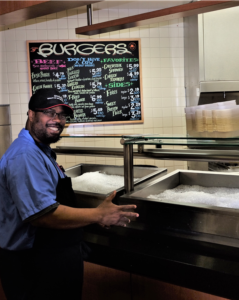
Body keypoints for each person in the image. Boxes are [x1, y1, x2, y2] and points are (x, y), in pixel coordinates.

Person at [0, 88, 139, 300]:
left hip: (50, 259)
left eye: (62, 115)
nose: (57, 120)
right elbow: (43, 215)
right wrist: (98, 214)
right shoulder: (25, 155)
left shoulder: (39, 150)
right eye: (49, 112)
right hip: (33, 266)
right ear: (31, 114)